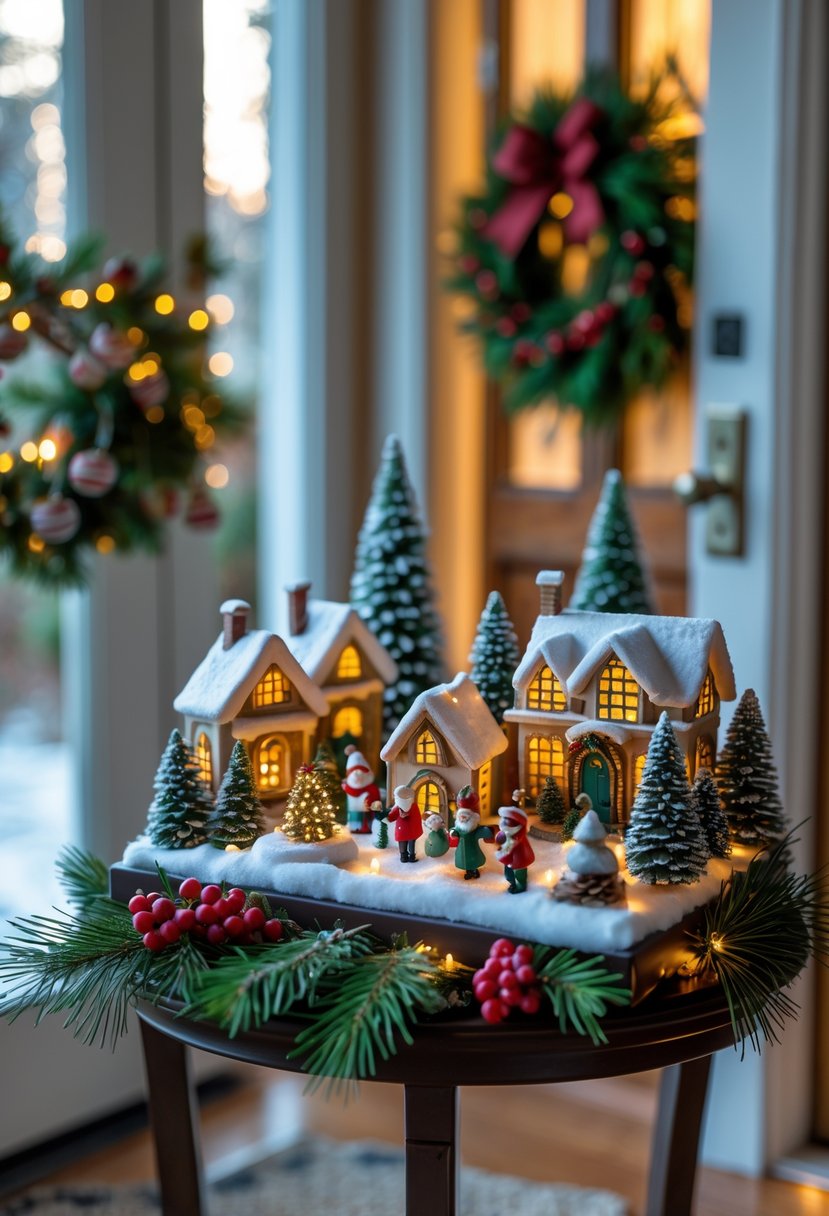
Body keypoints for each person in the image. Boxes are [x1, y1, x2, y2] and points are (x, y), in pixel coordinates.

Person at [448, 787, 493, 879]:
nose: (463, 819)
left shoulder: (473, 828)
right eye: (461, 817)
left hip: (473, 849)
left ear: (471, 817)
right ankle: (469, 872)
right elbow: (455, 830)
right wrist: (453, 832)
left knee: (473, 860)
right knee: (465, 861)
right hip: (461, 849)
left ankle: (474, 871)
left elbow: (481, 832)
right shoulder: (459, 827)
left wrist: (488, 831)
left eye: (465, 817)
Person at [495, 805, 535, 893]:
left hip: (519, 860)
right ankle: (512, 883)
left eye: (507, 820)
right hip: (509, 859)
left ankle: (521, 887)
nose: (503, 822)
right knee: (509, 874)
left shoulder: (518, 836)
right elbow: (500, 840)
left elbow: (517, 847)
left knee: (519, 874)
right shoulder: (506, 833)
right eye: (503, 819)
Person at [341, 746, 380, 834]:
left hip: (367, 818)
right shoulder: (346, 788)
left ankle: (366, 827)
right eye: (354, 772)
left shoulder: (372, 789)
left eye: (361, 772)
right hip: (351, 816)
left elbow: (376, 805)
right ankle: (355, 827)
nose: (358, 776)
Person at [387, 785, 423, 862]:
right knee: (411, 843)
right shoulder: (414, 806)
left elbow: (390, 818)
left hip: (402, 829)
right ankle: (412, 857)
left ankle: (403, 857)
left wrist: (384, 815)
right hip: (413, 830)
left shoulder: (397, 808)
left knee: (402, 842)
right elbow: (418, 818)